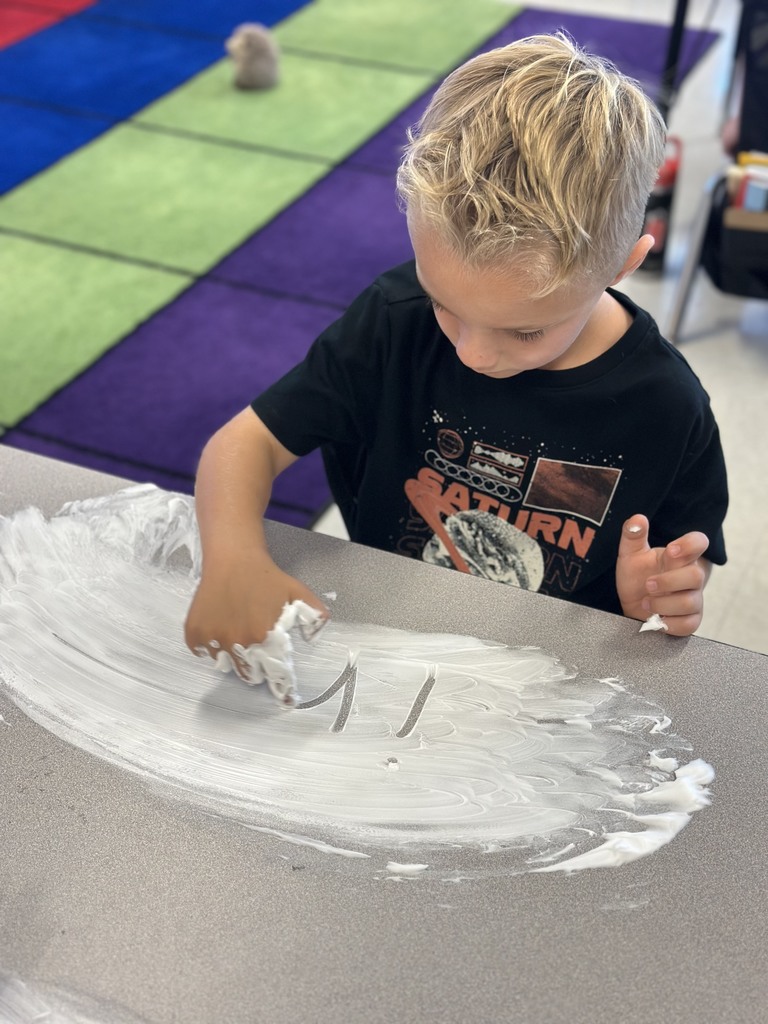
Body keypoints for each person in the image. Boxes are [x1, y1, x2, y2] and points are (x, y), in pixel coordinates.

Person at [185, 33, 728, 669]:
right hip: (387, 638)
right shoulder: (394, 322)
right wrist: (234, 559)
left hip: (544, 677)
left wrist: (659, 596)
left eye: (525, 331)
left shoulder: (666, 405)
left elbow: (682, 567)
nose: (472, 353)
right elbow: (244, 445)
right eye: (443, 302)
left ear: (625, 263)